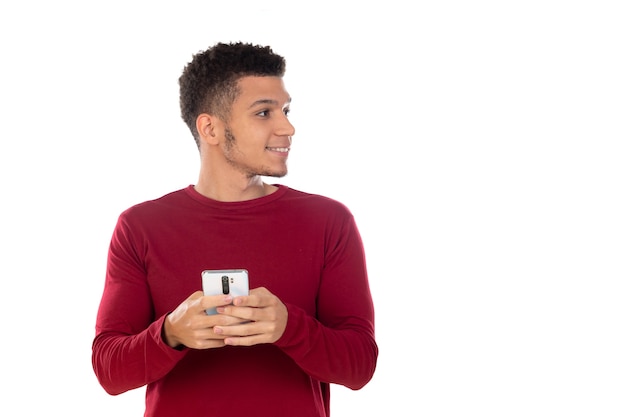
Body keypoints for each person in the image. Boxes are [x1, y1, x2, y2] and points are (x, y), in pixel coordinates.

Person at [92, 41, 378, 417]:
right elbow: (109, 372)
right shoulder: (140, 226)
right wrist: (170, 334)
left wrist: (290, 327)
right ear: (210, 128)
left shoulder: (329, 220)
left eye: (285, 110)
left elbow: (360, 367)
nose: (287, 127)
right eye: (264, 112)